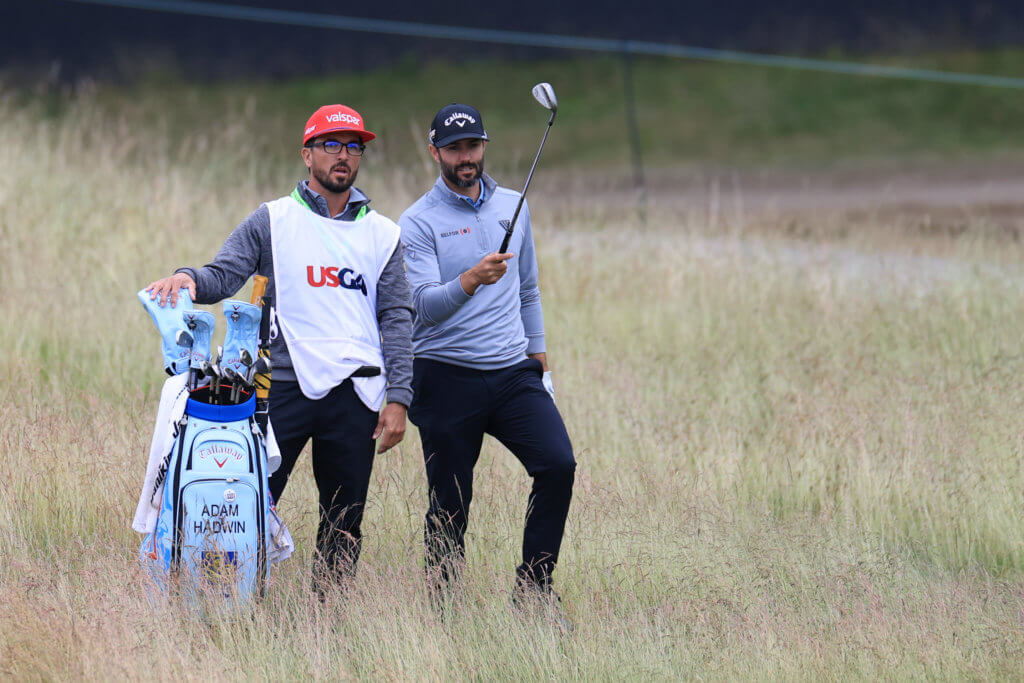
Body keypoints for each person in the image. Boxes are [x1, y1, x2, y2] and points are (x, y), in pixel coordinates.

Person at [146, 104, 414, 592]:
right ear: (306, 154)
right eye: (331, 145)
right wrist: (188, 277)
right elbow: (225, 272)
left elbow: (396, 317)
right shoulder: (274, 218)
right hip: (279, 387)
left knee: (344, 519)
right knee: (247, 502)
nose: (344, 156)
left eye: (354, 147)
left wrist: (399, 398)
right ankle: (233, 603)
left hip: (356, 393)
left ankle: (327, 620)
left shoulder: (383, 234)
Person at [398, 103, 576, 610]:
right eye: (454, 149)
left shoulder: (513, 206)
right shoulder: (418, 222)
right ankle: (444, 605)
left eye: (473, 146)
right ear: (435, 152)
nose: (466, 157)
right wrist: (470, 280)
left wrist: (539, 359)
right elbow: (422, 307)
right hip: (445, 375)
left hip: (512, 371)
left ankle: (534, 589)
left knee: (558, 464)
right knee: (451, 502)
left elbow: (528, 291)